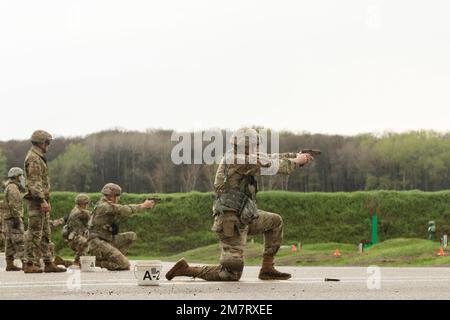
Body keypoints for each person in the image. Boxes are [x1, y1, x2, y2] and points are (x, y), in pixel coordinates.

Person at [166, 128, 314, 281]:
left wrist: (295, 155)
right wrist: (297, 161)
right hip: (231, 221)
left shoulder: (246, 157)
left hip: (245, 216)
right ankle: (186, 269)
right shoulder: (237, 160)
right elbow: (271, 164)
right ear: (244, 146)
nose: (257, 148)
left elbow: (269, 158)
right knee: (230, 274)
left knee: (275, 222)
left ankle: (267, 268)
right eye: (254, 145)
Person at [23, 130, 65, 273]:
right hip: (36, 201)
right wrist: (41, 200)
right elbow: (34, 183)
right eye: (47, 142)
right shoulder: (34, 158)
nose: (48, 145)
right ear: (41, 143)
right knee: (35, 233)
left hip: (41, 200)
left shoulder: (38, 157)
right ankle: (29, 264)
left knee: (46, 233)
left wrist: (46, 200)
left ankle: (48, 262)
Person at [87, 183, 155, 270]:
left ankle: (115, 258)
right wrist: (143, 205)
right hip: (97, 243)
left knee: (131, 236)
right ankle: (98, 263)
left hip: (106, 240)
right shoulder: (104, 206)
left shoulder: (104, 204)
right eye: (118, 196)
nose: (118, 198)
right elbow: (124, 209)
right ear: (112, 196)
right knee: (125, 265)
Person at [3, 167, 26, 271]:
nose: (23, 178)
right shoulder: (13, 188)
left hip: (9, 219)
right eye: (21, 175)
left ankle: (9, 263)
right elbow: (14, 204)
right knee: (19, 240)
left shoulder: (9, 187)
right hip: (13, 218)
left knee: (9, 242)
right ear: (17, 176)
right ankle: (26, 264)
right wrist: (17, 218)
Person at [63, 193, 91, 266]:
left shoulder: (74, 210)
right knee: (85, 242)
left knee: (85, 259)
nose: (87, 205)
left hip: (74, 239)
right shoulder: (79, 212)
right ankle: (76, 261)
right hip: (76, 240)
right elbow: (90, 215)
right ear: (83, 203)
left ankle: (69, 263)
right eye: (86, 203)